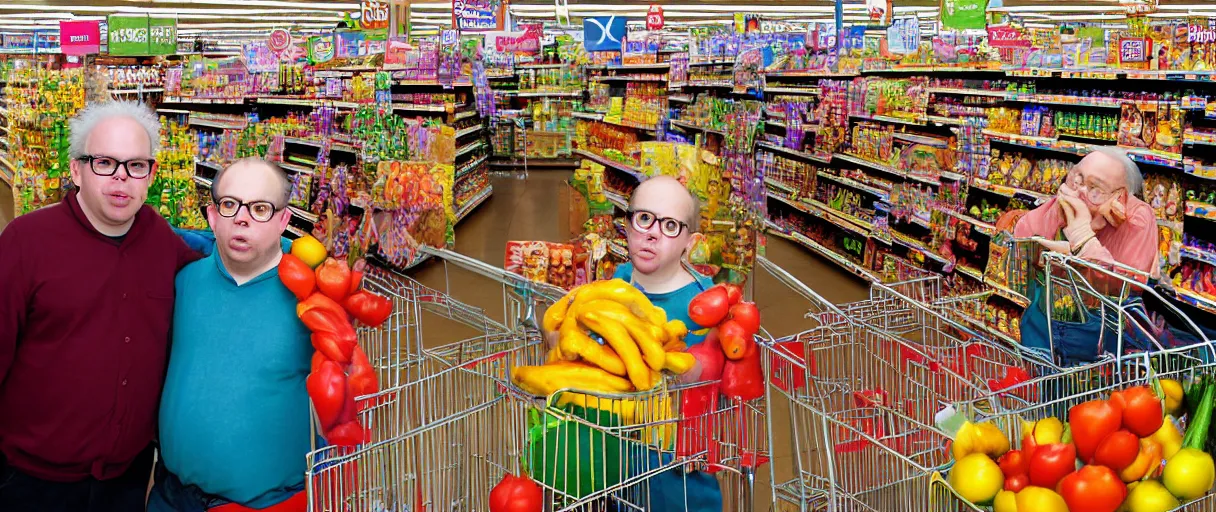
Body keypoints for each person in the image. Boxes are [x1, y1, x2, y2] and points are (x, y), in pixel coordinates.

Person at [0, 101, 201, 511]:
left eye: (135, 165)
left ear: (151, 175)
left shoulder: (160, 240)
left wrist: (297, 263)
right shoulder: (26, 241)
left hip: (125, 479)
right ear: (76, 170)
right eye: (105, 162)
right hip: (31, 481)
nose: (121, 178)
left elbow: (221, 275)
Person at [149, 158, 312, 512]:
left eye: (260, 208)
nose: (242, 217)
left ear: (284, 220)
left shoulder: (311, 297)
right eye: (230, 204)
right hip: (170, 495)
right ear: (212, 215)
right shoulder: (182, 280)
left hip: (264, 503)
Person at [612, 175, 722, 511]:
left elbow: (729, 383)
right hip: (617, 472)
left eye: (670, 225)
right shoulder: (615, 284)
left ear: (691, 241)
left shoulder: (707, 304)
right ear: (627, 225)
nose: (652, 232)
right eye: (644, 218)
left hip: (681, 483)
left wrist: (703, 368)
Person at [1013, 146, 1160, 362]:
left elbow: (1129, 285)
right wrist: (1062, 224)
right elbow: (1024, 236)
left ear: (1119, 196)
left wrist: (1083, 236)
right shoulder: (1057, 207)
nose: (1079, 191)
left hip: (1098, 344)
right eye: (1077, 179)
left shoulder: (1138, 218)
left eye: (1095, 189)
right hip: (1042, 333)